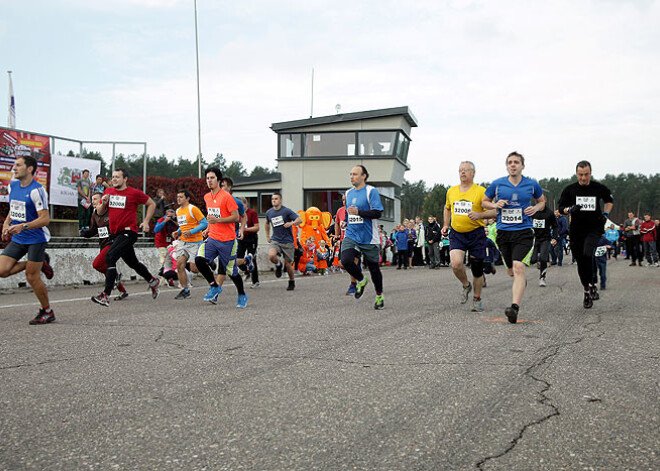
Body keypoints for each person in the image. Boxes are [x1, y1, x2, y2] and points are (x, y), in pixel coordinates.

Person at [483, 152, 546, 323]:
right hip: (503, 233)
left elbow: (542, 201)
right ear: (506, 166)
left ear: (522, 166)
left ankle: (514, 308)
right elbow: (484, 201)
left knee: (519, 267)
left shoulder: (531, 184)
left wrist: (536, 208)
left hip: (524, 231)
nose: (513, 165)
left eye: (516, 162)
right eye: (510, 162)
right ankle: (520, 281)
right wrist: (495, 204)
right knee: (512, 272)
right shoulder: (498, 184)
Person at [91, 168, 160, 306]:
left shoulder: (133, 193)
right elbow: (99, 211)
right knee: (133, 263)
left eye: (117, 177)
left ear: (125, 179)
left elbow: (151, 203)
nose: (114, 179)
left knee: (110, 257)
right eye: (113, 177)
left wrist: (146, 221)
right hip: (116, 234)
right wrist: (103, 203)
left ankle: (106, 294)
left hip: (129, 232)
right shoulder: (109, 191)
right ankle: (152, 280)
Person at [0, 155, 55, 324]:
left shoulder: (37, 190)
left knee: (32, 276)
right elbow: (14, 207)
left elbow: (45, 219)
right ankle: (41, 263)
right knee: (2, 271)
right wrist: (6, 223)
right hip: (19, 237)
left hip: (36, 238)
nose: (14, 168)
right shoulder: (13, 186)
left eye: (18, 165)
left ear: (29, 169)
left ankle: (47, 311)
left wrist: (23, 226)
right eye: (14, 165)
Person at [557, 160, 614, 308]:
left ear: (590, 173)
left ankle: (592, 283)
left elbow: (609, 200)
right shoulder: (570, 190)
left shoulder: (598, 188)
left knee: (588, 252)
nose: (583, 178)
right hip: (576, 230)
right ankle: (587, 289)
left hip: (594, 228)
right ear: (576, 174)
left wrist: (606, 214)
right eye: (581, 175)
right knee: (581, 262)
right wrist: (569, 210)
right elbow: (561, 207)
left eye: (586, 174)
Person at [442, 161, 496, 312]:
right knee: (456, 264)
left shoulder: (480, 191)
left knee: (477, 270)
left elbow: (494, 211)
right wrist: (446, 225)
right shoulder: (451, 191)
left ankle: (477, 299)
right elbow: (447, 208)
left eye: (466, 170)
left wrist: (479, 214)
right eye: (460, 170)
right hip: (457, 233)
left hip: (476, 234)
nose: (462, 172)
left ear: (473, 173)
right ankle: (466, 285)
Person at [193, 167, 247, 307]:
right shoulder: (207, 197)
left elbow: (236, 217)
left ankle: (241, 294)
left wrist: (217, 221)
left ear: (218, 180)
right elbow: (212, 215)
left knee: (232, 272)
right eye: (207, 178)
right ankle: (214, 286)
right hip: (212, 238)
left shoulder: (227, 197)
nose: (209, 181)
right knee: (199, 260)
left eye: (212, 178)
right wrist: (208, 228)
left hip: (228, 241)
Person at [340, 165, 385, 310]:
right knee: (346, 260)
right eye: (350, 174)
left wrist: (359, 212)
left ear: (364, 176)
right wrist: (346, 220)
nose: (352, 177)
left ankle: (379, 295)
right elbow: (349, 212)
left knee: (374, 269)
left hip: (369, 237)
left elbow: (378, 213)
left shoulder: (371, 191)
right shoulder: (348, 193)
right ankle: (361, 279)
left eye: (355, 174)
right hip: (351, 234)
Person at [80, 192, 129, 300]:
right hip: (103, 244)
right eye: (92, 199)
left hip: (112, 243)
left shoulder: (110, 211)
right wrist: (85, 233)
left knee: (97, 264)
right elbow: (94, 230)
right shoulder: (94, 214)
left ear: (102, 200)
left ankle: (115, 277)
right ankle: (122, 291)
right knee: (107, 268)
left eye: (95, 199)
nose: (93, 201)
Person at [173, 188, 208, 299]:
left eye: (181, 197)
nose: (178, 199)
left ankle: (208, 262)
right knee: (179, 264)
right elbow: (183, 226)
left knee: (194, 269)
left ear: (187, 198)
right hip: (183, 241)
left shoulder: (193, 209)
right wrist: (177, 232)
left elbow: (204, 223)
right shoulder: (178, 211)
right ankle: (185, 290)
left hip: (195, 242)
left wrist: (191, 232)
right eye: (177, 197)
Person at [265, 192, 302, 291]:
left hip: (287, 241)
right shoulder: (269, 212)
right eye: (272, 199)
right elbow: (267, 223)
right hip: (275, 240)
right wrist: (268, 235)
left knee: (288, 264)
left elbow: (300, 220)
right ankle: (278, 265)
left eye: (276, 199)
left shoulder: (286, 211)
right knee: (271, 255)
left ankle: (291, 281)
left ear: (280, 200)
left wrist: (292, 223)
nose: (274, 200)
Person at [236, 196, 260, 288]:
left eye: (241, 205)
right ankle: (246, 271)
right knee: (238, 258)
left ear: (246, 204)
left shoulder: (252, 213)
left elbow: (257, 227)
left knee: (252, 258)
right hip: (241, 238)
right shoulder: (237, 214)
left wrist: (245, 229)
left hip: (251, 238)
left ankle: (255, 281)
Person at [531, 205, 558, 287]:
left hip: (546, 239)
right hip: (535, 238)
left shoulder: (549, 213)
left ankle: (542, 277)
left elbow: (555, 226)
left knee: (543, 258)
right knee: (533, 260)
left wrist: (554, 238)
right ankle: (537, 263)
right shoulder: (533, 211)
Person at [153, 208, 178, 278]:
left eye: (173, 216)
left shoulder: (174, 221)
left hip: (171, 243)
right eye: (170, 216)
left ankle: (167, 275)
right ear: (166, 215)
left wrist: (175, 222)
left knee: (171, 260)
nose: (171, 218)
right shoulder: (161, 220)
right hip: (161, 243)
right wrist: (164, 221)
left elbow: (181, 228)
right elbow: (156, 230)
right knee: (164, 259)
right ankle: (164, 275)